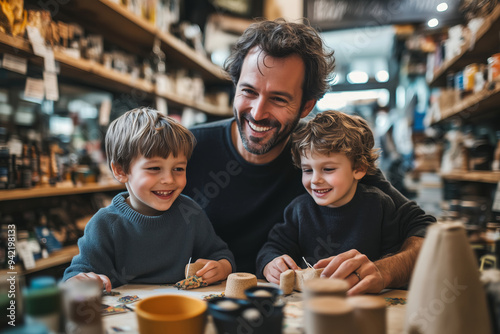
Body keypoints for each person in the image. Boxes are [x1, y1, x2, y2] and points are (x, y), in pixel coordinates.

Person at [184, 19, 435, 294]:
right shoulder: (188, 148)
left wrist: (384, 271)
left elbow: (427, 232)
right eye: (248, 91)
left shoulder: (326, 151)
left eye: (279, 99)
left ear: (306, 106)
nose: (257, 113)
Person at [63, 107, 235, 291]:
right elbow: (76, 275)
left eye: (178, 169)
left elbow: (221, 254)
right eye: (154, 168)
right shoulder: (104, 225)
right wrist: (80, 280)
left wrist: (222, 267)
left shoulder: (190, 212)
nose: (169, 180)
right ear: (120, 170)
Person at [257, 110, 427, 294]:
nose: (315, 180)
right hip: (311, 304)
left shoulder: (380, 205)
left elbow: (396, 262)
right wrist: (271, 263)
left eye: (328, 169)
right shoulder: (299, 210)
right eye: (307, 170)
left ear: (359, 168)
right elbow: (272, 247)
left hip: (365, 301)